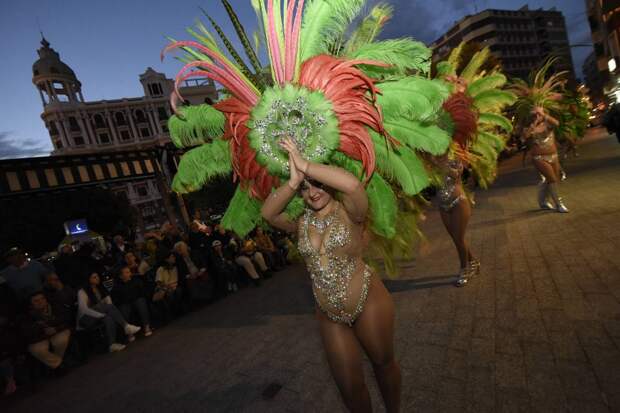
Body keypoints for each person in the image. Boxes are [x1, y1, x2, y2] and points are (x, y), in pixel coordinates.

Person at [262, 138, 401, 412]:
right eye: (305, 189)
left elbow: (351, 185)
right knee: (349, 387)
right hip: (328, 314)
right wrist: (293, 181)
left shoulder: (352, 211)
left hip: (367, 300)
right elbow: (268, 213)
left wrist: (305, 165)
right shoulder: (300, 223)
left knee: (383, 364)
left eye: (318, 183)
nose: (312, 192)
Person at [436, 154, 479, 287]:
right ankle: (474, 262)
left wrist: (439, 164)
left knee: (459, 239)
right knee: (456, 239)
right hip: (443, 206)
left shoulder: (454, 158)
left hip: (459, 203)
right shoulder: (428, 162)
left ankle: (463, 270)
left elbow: (456, 174)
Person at [77, 272, 141, 352]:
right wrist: (100, 315)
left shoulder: (99, 288)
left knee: (109, 317)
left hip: (100, 313)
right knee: (106, 312)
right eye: (94, 277)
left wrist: (105, 313)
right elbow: (83, 309)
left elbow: (109, 303)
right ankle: (126, 326)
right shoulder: (82, 291)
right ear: (88, 279)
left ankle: (112, 344)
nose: (97, 278)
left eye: (97, 276)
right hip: (85, 318)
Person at [522, 106, 568, 213]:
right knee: (552, 179)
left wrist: (543, 114)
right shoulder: (529, 127)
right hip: (539, 158)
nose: (537, 116)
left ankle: (543, 202)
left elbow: (557, 123)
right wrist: (533, 125)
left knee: (551, 179)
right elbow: (525, 137)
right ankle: (559, 204)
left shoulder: (548, 124)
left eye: (539, 114)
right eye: (535, 114)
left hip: (554, 156)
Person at [20, 292, 72, 372]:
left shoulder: (55, 306)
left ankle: (54, 365)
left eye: (42, 299)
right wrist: (43, 329)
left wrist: (55, 328)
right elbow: (28, 331)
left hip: (58, 330)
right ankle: (59, 364)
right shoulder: (27, 315)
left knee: (60, 341)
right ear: (31, 304)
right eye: (36, 301)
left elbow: (66, 319)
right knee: (36, 349)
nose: (40, 302)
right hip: (40, 337)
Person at [111, 267, 152, 337]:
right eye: (126, 272)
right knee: (124, 308)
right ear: (121, 276)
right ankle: (130, 332)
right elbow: (117, 299)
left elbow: (142, 292)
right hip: (125, 303)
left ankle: (146, 327)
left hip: (136, 300)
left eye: (129, 272)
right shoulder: (117, 286)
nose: (129, 273)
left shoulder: (136, 280)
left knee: (140, 302)